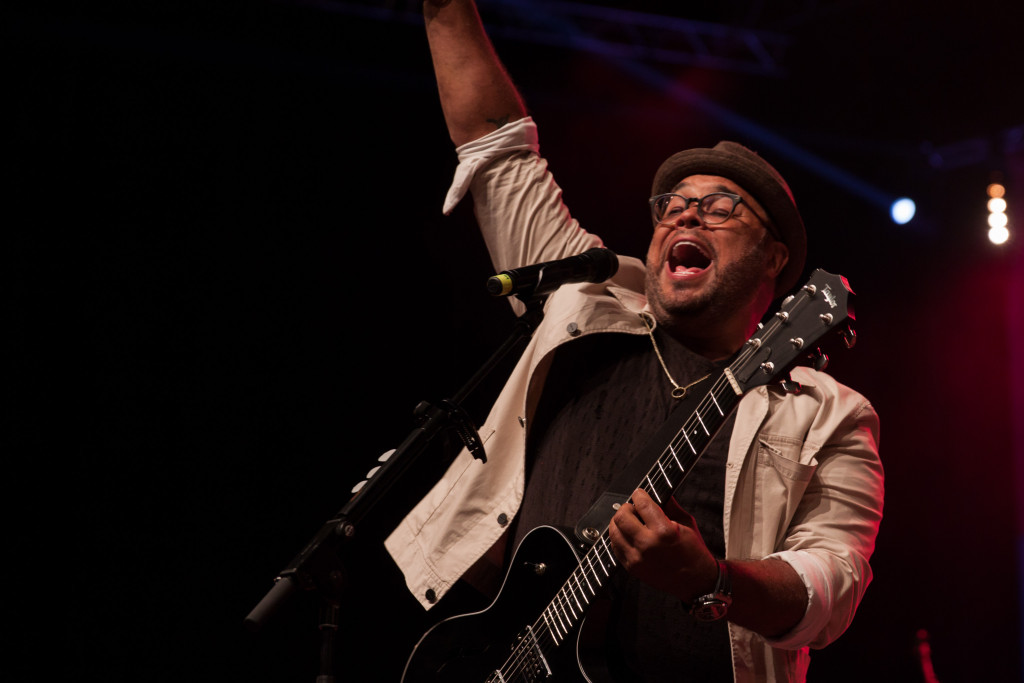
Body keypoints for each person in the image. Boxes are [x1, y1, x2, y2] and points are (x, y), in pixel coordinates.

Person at [383, 1, 884, 681]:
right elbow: (495, 146)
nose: (685, 210)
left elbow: (831, 586)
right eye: (673, 202)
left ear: (773, 259)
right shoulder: (583, 302)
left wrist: (710, 577)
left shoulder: (830, 414)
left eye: (721, 206)